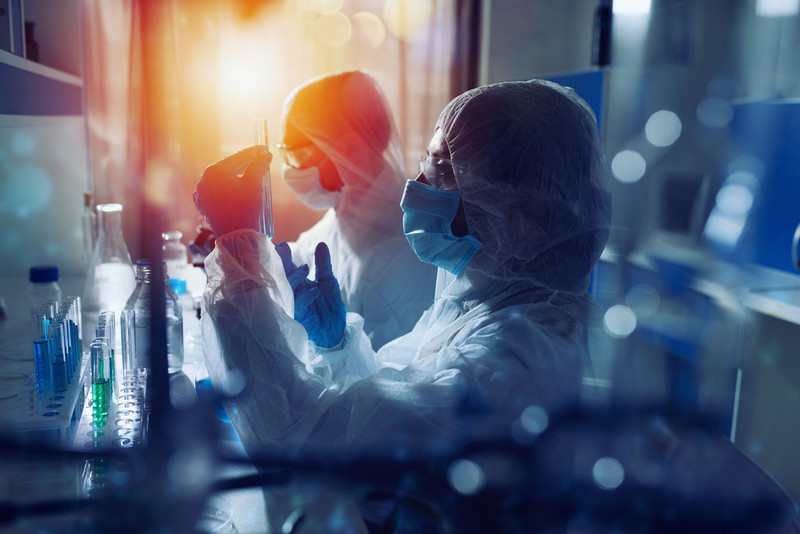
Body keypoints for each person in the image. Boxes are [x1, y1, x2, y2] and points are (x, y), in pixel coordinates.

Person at [194, 78, 611, 531]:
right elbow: (384, 403)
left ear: (520, 218)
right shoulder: (489, 312)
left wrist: (237, 258)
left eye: (443, 170)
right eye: (425, 164)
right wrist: (336, 345)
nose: (416, 185)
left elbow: (312, 445)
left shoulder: (515, 363)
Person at [275, 70, 437, 350]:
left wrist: (332, 346)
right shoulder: (347, 210)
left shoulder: (401, 252)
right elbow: (303, 254)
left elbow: (388, 373)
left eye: (297, 154)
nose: (289, 168)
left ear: (349, 149)